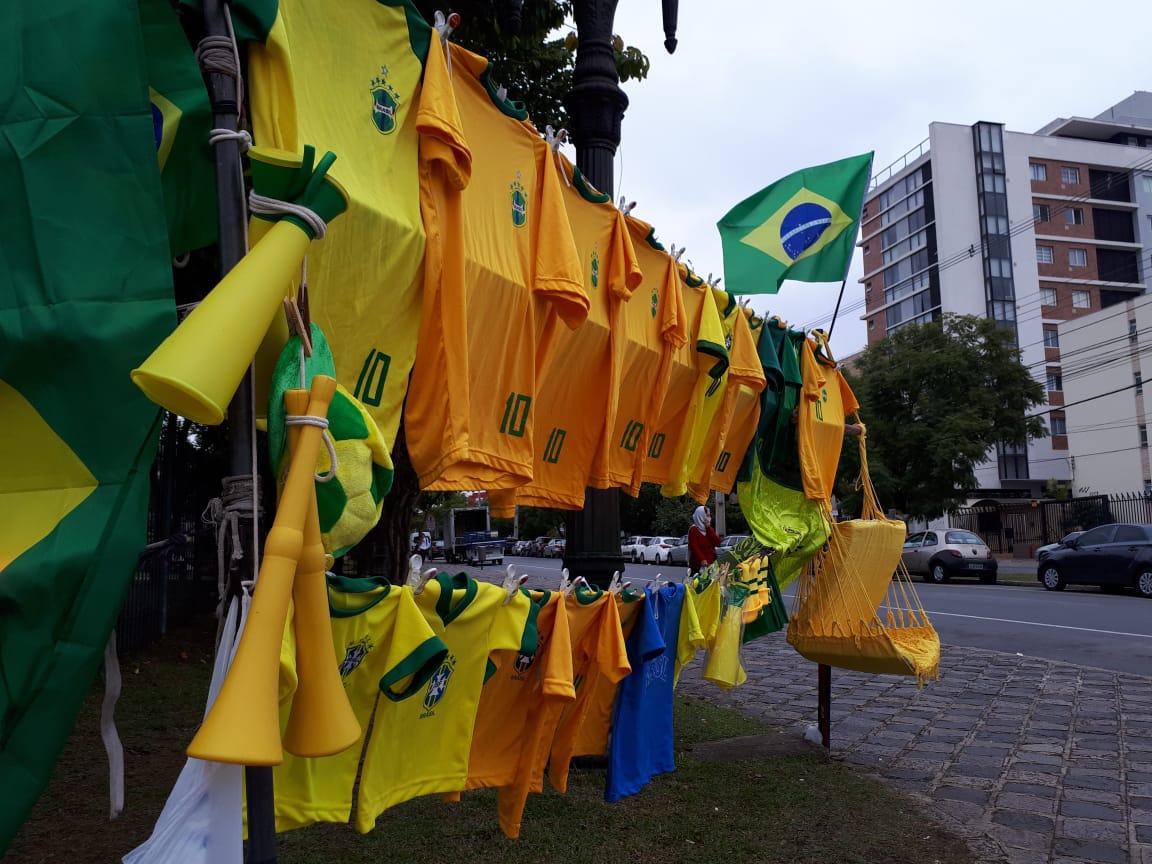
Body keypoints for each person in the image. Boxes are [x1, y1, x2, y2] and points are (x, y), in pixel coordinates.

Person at [688, 505, 722, 572]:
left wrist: (709, 528)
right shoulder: (693, 529)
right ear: (701, 516)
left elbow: (718, 542)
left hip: (710, 564)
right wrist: (702, 559)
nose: (709, 518)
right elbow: (694, 547)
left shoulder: (709, 529)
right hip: (697, 565)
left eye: (709, 516)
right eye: (707, 515)